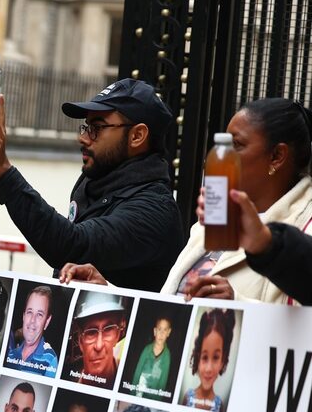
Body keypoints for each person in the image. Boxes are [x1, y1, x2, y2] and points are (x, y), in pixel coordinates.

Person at [61, 99, 312, 304]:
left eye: (237, 145)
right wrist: (107, 291)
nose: (220, 157)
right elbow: (169, 310)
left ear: (277, 156)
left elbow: (300, 330)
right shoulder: (215, 216)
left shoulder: (304, 226)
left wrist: (237, 304)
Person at [0, 78, 183, 291]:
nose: (83, 138)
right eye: (86, 127)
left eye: (97, 128)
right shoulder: (96, 178)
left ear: (137, 136)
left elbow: (72, 245)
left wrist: (3, 170)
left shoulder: (154, 209)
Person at [66, 292, 128, 389]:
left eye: (108, 329)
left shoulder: (129, 376)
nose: (99, 346)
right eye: (91, 332)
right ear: (80, 340)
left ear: (117, 335)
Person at [181, 308, 235, 412]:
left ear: (222, 361)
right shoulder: (187, 397)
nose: (209, 368)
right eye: (205, 357)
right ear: (198, 357)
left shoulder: (220, 406)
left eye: (215, 357)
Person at [4, 285, 58, 377]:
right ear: (24, 316)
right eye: (29, 312)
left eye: (39, 314)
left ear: (47, 322)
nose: (32, 320)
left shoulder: (50, 359)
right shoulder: (10, 355)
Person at [130, 316, 172, 399]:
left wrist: (158, 399)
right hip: (139, 392)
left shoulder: (167, 356)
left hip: (153, 396)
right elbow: (137, 371)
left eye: (165, 330)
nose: (161, 333)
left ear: (169, 332)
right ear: (155, 331)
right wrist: (132, 392)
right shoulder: (147, 350)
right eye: (159, 329)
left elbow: (163, 380)